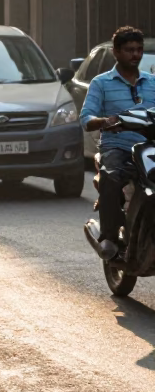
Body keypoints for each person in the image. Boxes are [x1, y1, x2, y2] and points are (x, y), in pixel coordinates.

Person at [81, 25, 155, 260]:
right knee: (110, 177)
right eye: (129, 50)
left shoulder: (152, 82)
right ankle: (110, 237)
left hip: (150, 147)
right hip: (118, 147)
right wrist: (105, 121)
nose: (135, 55)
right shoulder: (101, 83)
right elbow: (86, 118)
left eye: (139, 50)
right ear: (116, 52)